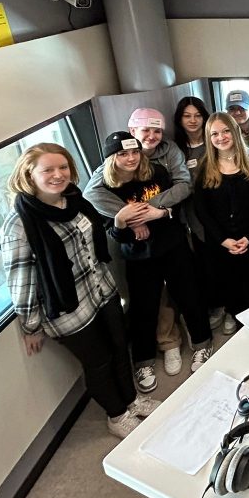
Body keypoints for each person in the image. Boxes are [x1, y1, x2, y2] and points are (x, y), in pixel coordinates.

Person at [0, 143, 160, 439]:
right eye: (48, 169)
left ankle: (132, 399)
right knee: (99, 362)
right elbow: (21, 281)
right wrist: (31, 326)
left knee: (120, 347)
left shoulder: (74, 199)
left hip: (102, 290)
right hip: (69, 309)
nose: (58, 175)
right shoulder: (19, 225)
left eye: (63, 167)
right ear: (29, 175)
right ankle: (117, 415)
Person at [99, 132, 214, 392]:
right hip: (138, 255)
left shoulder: (157, 172)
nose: (131, 158)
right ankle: (143, 361)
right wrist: (125, 222)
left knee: (189, 295)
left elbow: (178, 204)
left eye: (134, 152)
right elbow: (114, 233)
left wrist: (159, 213)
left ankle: (202, 343)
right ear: (111, 159)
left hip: (172, 245)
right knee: (143, 307)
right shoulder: (106, 190)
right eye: (123, 154)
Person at [84, 107, 193, 378]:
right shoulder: (113, 159)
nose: (152, 136)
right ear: (132, 132)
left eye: (157, 130)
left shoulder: (168, 154)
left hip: (168, 231)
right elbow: (92, 194)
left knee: (181, 290)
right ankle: (151, 352)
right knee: (142, 299)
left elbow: (183, 185)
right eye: (146, 130)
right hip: (134, 243)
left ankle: (176, 340)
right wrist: (130, 218)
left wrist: (154, 210)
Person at [193, 113, 249, 331]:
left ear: (235, 131)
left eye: (226, 131)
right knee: (228, 283)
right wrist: (223, 240)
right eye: (215, 134)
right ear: (209, 138)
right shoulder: (205, 167)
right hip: (220, 241)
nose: (221, 137)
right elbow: (202, 210)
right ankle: (234, 316)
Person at [172, 97, 225, 330]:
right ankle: (217, 305)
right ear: (179, 119)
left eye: (197, 115)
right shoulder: (175, 149)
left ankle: (230, 307)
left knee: (224, 259)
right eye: (187, 116)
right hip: (192, 213)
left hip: (219, 208)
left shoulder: (215, 140)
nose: (193, 121)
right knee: (205, 263)